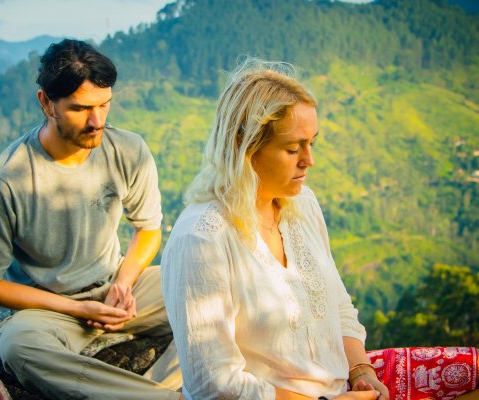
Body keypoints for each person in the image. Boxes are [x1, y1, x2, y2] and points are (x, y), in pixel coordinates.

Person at [160, 58, 479, 400]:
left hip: (344, 384)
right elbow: (214, 385)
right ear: (244, 145)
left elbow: (338, 305)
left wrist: (361, 371)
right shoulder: (202, 239)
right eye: (292, 148)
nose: (308, 160)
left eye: (312, 143)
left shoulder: (302, 205)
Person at [0, 39, 181, 400]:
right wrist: (78, 308)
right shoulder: (5, 181)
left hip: (118, 293)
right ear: (46, 103)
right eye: (80, 109)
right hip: (49, 310)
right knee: (19, 347)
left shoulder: (129, 149)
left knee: (212, 287)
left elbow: (147, 228)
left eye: (104, 105)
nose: (96, 121)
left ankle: (165, 388)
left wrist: (123, 284)